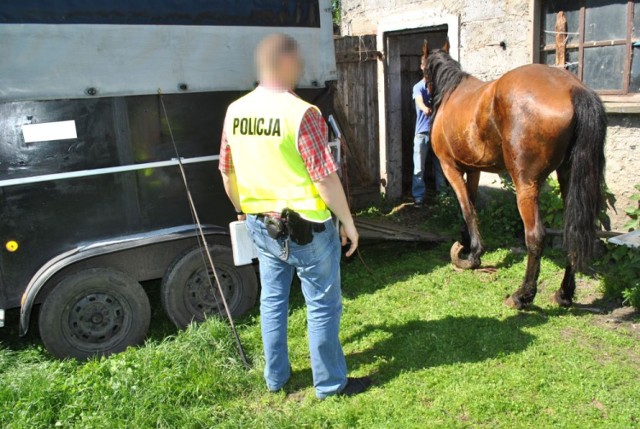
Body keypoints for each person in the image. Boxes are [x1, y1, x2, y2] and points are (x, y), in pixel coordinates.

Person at [219, 34, 371, 399]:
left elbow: (226, 171)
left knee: (272, 301)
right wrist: (348, 222)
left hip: (262, 225)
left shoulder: (235, 111)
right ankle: (331, 385)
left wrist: (244, 209)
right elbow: (323, 177)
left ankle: (276, 379)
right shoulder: (302, 113)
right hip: (308, 229)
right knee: (322, 305)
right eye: (297, 60)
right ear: (285, 63)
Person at [412, 57, 446, 208]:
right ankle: (418, 197)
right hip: (422, 133)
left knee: (441, 167)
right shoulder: (418, 87)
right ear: (421, 67)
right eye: (425, 66)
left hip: (437, 134)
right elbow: (419, 101)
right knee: (419, 168)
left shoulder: (437, 87)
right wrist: (424, 108)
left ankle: (443, 196)